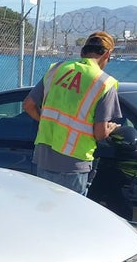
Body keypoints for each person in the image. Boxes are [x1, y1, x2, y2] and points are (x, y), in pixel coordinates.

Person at [22, 31, 122, 195]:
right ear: (107, 54)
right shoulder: (105, 83)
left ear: (83, 52)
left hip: (44, 158)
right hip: (74, 164)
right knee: (70, 217)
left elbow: (28, 105)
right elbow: (100, 133)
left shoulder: (57, 69)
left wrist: (48, 122)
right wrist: (110, 129)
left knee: (44, 215)